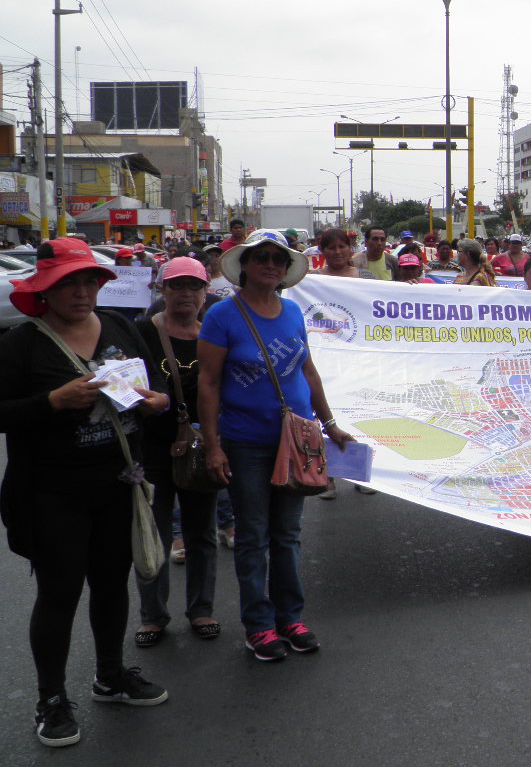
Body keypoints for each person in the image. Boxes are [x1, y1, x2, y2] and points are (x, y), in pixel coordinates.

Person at [0, 239, 172, 747]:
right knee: (59, 593)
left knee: (112, 584)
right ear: (44, 290)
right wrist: (52, 400)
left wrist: (155, 402)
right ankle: (50, 698)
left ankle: (110, 675)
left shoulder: (121, 328)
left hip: (118, 484)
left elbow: (153, 390)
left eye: (88, 281)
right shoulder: (21, 345)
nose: (80, 292)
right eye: (67, 284)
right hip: (51, 492)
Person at [197, 229, 354, 662]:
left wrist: (331, 425)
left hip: (298, 442)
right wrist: (213, 446)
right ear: (244, 264)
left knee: (287, 535)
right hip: (246, 444)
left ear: (286, 271)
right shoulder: (222, 316)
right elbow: (207, 384)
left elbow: (309, 374)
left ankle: (291, 619)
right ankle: (259, 626)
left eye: (279, 260)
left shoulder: (292, 314)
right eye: (262, 257)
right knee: (254, 536)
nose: (270, 264)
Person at [133, 257, 222, 648]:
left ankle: (201, 609)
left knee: (201, 531)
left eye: (194, 286)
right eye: (176, 286)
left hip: (202, 446)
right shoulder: (141, 332)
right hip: (151, 447)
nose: (185, 293)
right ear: (162, 290)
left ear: (206, 292)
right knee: (152, 533)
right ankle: (153, 616)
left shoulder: (215, 335)